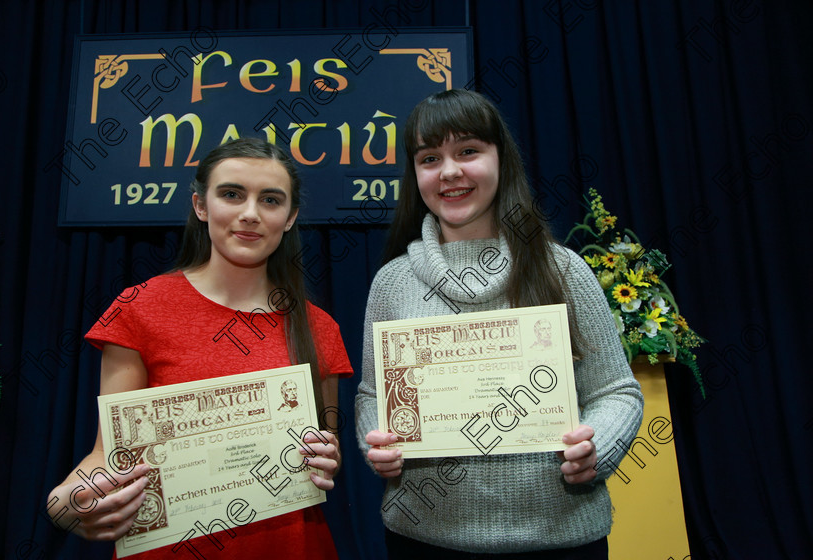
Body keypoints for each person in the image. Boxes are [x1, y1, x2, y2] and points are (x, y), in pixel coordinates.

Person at [355, 89, 643, 559]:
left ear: (501, 159)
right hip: (423, 541)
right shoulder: (392, 282)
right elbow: (373, 395)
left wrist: (597, 448)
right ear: (416, 175)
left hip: (560, 541)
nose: (449, 171)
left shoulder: (563, 269)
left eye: (468, 151)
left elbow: (616, 391)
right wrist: (379, 444)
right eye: (430, 158)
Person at [47, 138, 352, 560]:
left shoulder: (320, 327)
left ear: (290, 217)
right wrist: (66, 503)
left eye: (270, 200)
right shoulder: (141, 308)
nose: (250, 214)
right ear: (200, 205)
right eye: (231, 194)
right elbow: (106, 457)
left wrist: (326, 457)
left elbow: (326, 444)